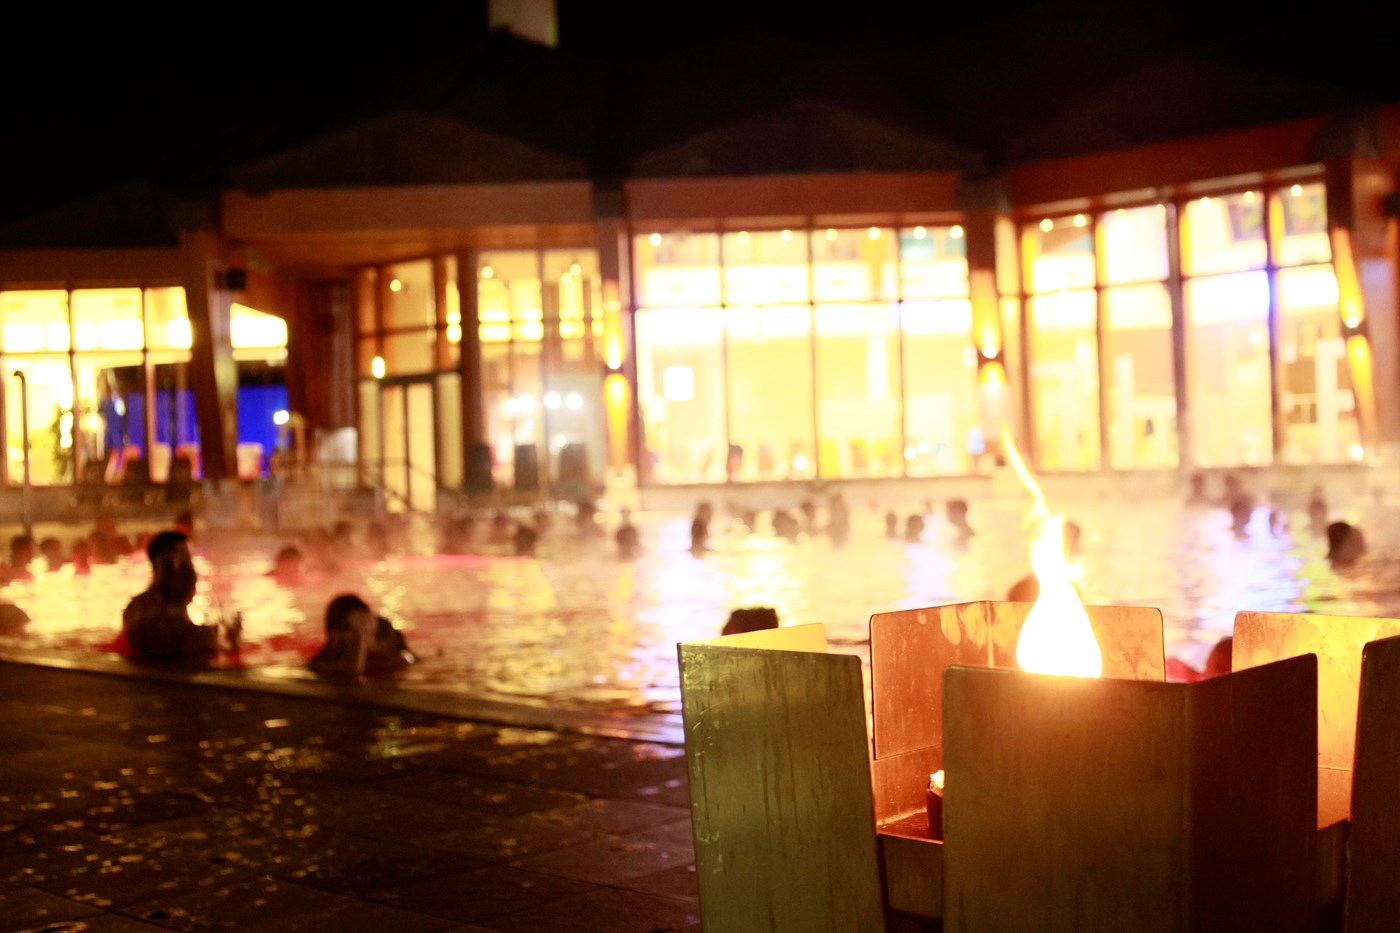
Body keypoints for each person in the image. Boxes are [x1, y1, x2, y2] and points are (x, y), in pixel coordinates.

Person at [121, 530, 233, 665]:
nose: (193, 571)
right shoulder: (198, 636)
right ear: (166, 566)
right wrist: (229, 645)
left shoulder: (135, 609)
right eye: (187, 560)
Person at [309, 593, 415, 676]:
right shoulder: (322, 663)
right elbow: (351, 671)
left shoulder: (392, 654)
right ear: (334, 636)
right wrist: (360, 636)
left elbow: (407, 658)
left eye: (370, 632)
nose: (366, 637)